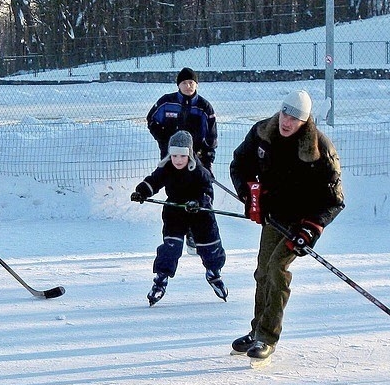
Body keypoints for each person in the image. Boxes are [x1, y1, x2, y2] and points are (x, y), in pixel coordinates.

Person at [228, 90, 344, 362]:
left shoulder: (319, 149)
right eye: (284, 113)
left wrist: (312, 228)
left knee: (277, 268)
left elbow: (335, 200)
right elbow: (240, 165)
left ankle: (267, 337)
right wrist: (251, 196)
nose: (287, 121)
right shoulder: (262, 133)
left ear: (305, 122)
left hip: (301, 221)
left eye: (294, 117)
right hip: (274, 216)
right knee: (262, 272)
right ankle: (256, 331)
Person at [131, 130, 228, 306]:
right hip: (175, 211)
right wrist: (142, 191)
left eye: (182, 155)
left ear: (189, 154)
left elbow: (207, 191)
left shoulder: (199, 170)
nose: (178, 159)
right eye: (174, 155)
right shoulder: (166, 168)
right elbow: (154, 181)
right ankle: (161, 279)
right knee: (171, 247)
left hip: (199, 212)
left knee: (210, 244)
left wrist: (199, 202)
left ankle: (214, 272)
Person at [147, 67, 218, 253]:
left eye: (191, 83)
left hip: (197, 159)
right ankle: (177, 232)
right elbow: (151, 119)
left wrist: (208, 158)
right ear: (178, 84)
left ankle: (196, 233)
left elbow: (211, 135)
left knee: (200, 191)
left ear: (197, 85)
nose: (188, 86)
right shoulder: (166, 102)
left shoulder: (204, 107)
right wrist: (163, 138)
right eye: (185, 83)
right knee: (176, 191)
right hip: (172, 158)